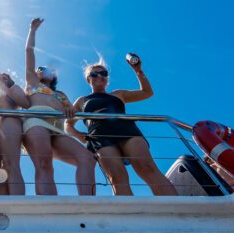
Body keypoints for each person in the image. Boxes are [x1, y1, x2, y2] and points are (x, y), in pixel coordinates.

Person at [66, 55, 177, 196]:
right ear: (88, 79)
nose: (99, 76)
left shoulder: (119, 94)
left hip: (126, 130)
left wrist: (138, 70)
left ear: (107, 78)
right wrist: (78, 135)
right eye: (94, 74)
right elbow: (67, 124)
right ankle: (130, 217)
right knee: (117, 177)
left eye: (103, 73)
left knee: (147, 167)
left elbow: (147, 93)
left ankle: (177, 213)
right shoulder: (82, 100)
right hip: (100, 135)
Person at [24, 18, 96, 195]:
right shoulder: (32, 82)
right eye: (40, 68)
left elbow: (70, 112)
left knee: (87, 158)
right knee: (44, 163)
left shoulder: (61, 94)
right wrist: (32, 29)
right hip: (36, 122)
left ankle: (89, 206)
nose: (43, 69)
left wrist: (71, 111)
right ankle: (48, 210)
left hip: (57, 129)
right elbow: (29, 51)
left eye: (47, 69)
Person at [0, 72, 31, 195]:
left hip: (9, 122)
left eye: (4, 76)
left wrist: (3, 86)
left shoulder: (13, 88)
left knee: (10, 165)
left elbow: (26, 104)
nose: (0, 76)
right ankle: (5, 206)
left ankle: (18, 207)